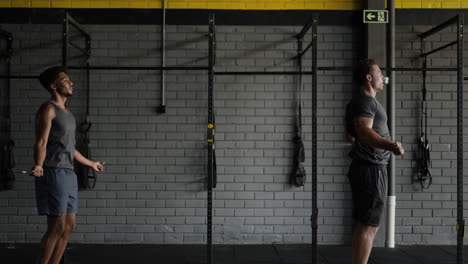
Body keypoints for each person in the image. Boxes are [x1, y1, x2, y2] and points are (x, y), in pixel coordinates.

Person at [31, 66, 104, 264]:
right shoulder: (48, 109)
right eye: (65, 80)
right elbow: (41, 141)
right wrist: (38, 164)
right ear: (54, 86)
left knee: (69, 226)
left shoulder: (68, 113)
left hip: (69, 173)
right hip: (53, 172)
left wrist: (91, 163)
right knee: (56, 227)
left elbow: (70, 149)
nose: (71, 82)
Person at [345, 59, 404, 264]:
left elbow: (350, 135)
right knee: (369, 225)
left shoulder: (360, 102)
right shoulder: (365, 101)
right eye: (379, 72)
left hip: (368, 168)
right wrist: (390, 145)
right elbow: (362, 131)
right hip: (370, 169)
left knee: (367, 224)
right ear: (369, 77)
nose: (383, 76)